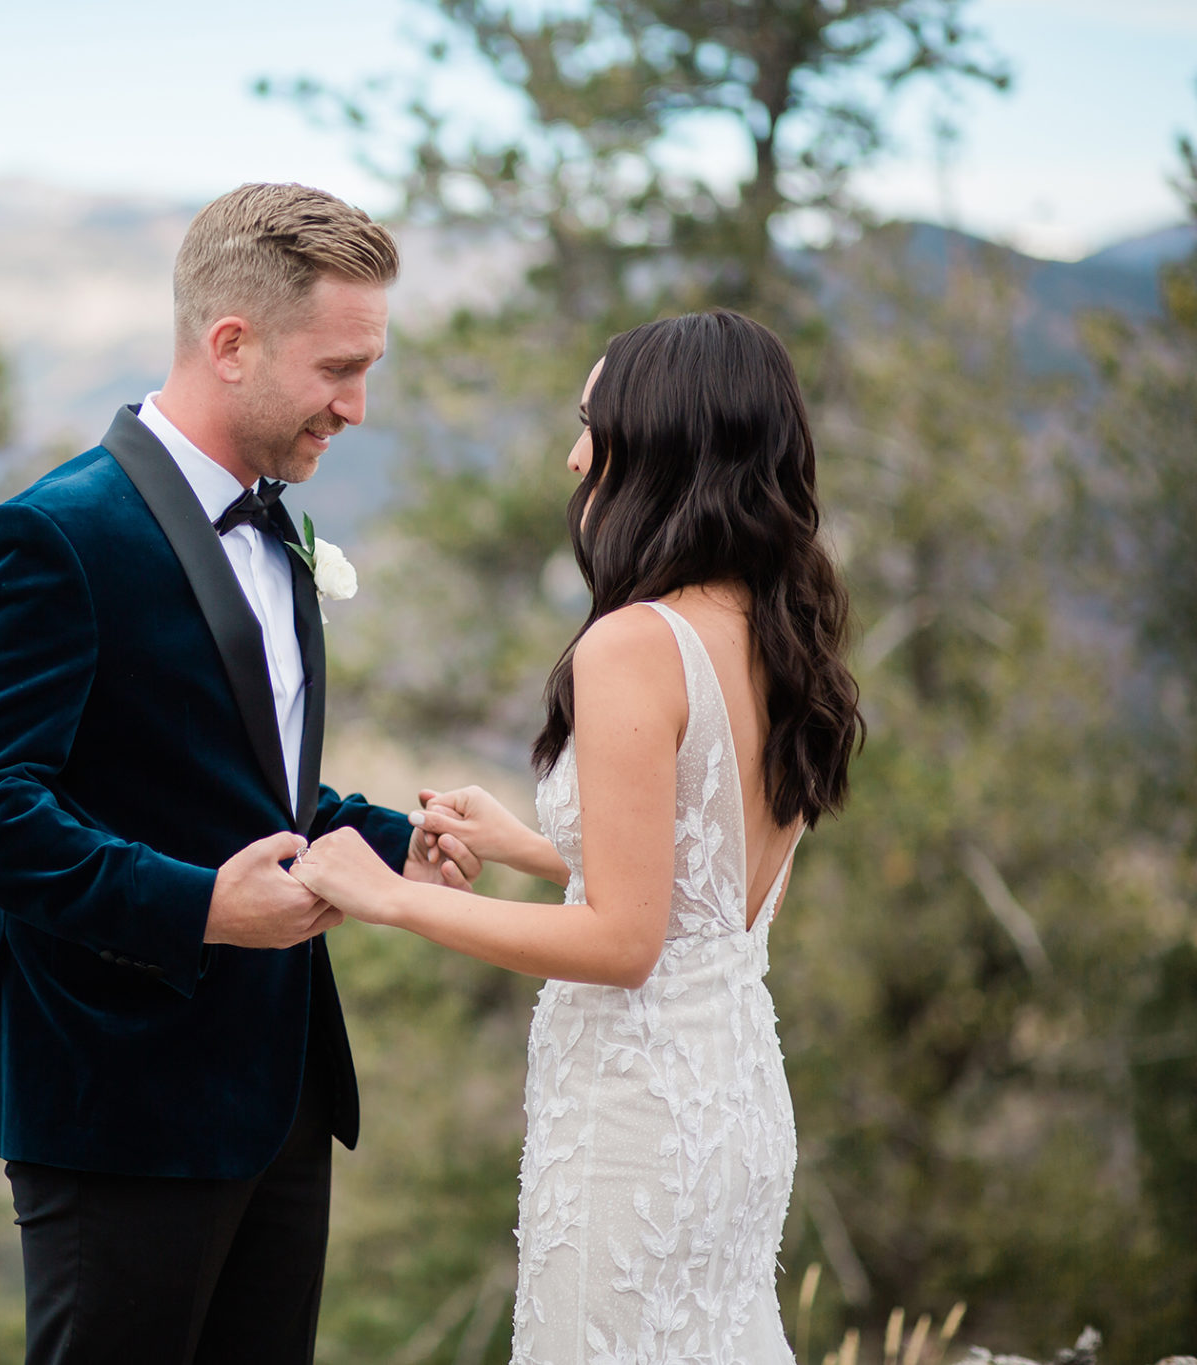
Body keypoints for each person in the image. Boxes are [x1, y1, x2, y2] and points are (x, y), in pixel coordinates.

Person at [0, 182, 481, 1365]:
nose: (356, 406)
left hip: (281, 1097)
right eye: (336, 367)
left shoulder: (275, 525)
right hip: (118, 1100)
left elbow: (247, 789)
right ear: (230, 344)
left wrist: (387, 843)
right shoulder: (55, 536)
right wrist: (201, 908)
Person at [288, 310, 865, 1365]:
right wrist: (524, 844)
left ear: (661, 440)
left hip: (636, 1115)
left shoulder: (632, 645)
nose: (572, 453)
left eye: (591, 422)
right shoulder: (776, 632)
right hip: (732, 1090)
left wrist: (394, 899)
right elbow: (702, 871)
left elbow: (623, 943)